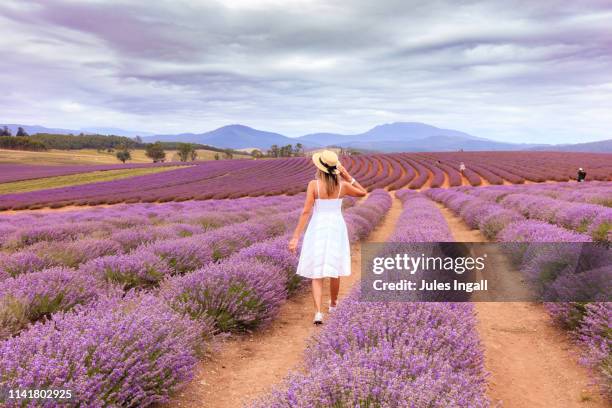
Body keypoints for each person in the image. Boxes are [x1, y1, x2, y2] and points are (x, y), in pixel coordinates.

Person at [289, 150, 367, 324]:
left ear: (320, 168)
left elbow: (306, 212)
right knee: (334, 268)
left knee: (317, 272)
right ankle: (333, 304)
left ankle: (318, 313)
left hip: (318, 227)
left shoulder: (313, 185)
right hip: (336, 228)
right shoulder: (343, 186)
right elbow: (363, 192)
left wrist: (295, 237)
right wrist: (347, 175)